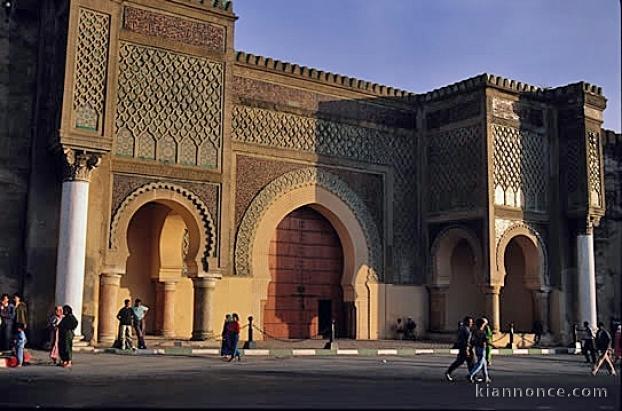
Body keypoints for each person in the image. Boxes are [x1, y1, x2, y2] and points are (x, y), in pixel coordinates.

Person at [445, 316, 474, 381]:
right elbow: (467, 341)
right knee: (462, 361)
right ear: (466, 322)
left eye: (471, 322)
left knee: (470, 362)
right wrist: (467, 349)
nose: (471, 323)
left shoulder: (462, 329)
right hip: (465, 348)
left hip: (463, 347)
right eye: (470, 322)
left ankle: (472, 375)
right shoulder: (466, 330)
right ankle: (448, 372)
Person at [468, 318, 491, 384]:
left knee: (484, 364)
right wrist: (493, 345)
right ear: (482, 324)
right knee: (480, 364)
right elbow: (486, 340)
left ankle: (486, 377)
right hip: (482, 348)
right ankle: (471, 375)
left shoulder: (475, 331)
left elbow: (472, 340)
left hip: (477, 348)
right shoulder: (482, 332)